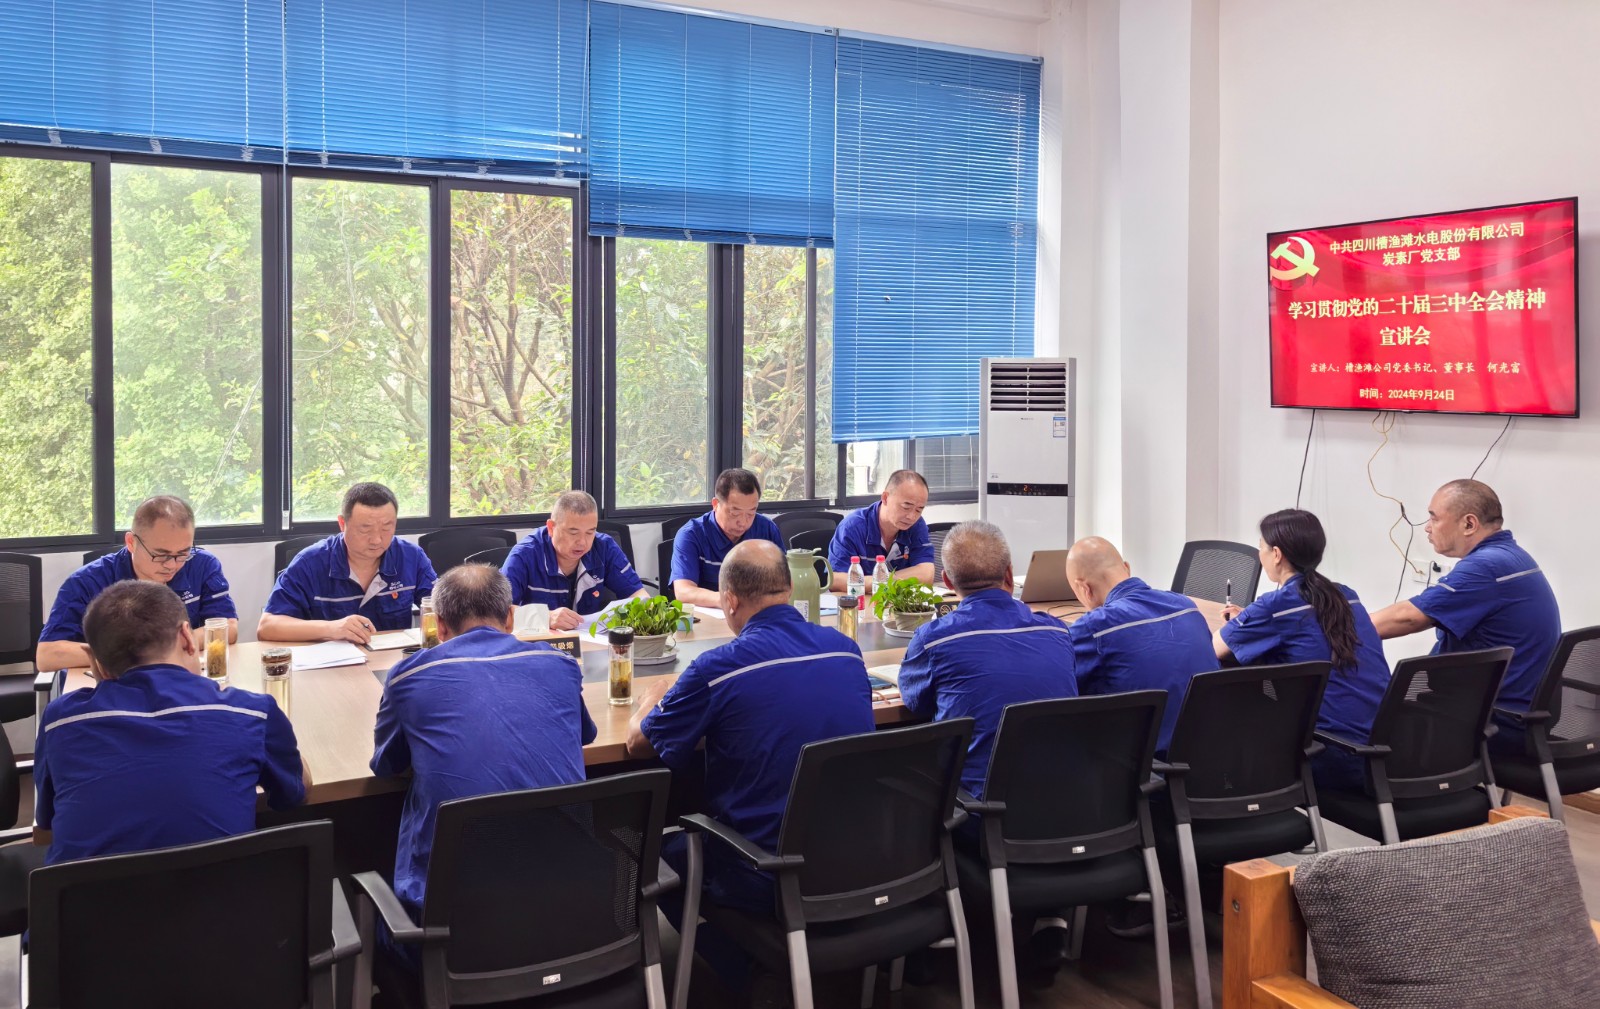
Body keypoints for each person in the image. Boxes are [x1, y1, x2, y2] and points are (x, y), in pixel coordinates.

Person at [626, 539, 872, 991]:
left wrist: (651, 699)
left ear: (730, 600)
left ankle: (755, 975)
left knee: (654, 853)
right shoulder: (846, 650)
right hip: (859, 857)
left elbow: (639, 744)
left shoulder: (717, 668)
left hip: (765, 871)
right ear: (787, 589)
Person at [372, 563, 596, 919]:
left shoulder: (408, 676)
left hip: (453, 920)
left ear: (439, 626)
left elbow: (387, 766)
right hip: (569, 903)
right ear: (510, 619)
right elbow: (585, 736)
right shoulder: (561, 664)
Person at [34, 580, 308, 865]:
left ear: (97, 664)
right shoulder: (251, 712)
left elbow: (46, 820)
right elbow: (293, 795)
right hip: (223, 890)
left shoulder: (60, 721)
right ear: (188, 638)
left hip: (86, 892)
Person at [1369, 479, 1560, 749]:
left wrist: (1336, 627)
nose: (1427, 527)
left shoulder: (1486, 567)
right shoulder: (1513, 556)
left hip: (1496, 721)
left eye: (1434, 517)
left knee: (1362, 721)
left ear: (1469, 524)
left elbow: (1408, 617)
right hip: (1520, 712)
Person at [898, 520, 1076, 800]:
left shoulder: (934, 640)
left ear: (947, 581)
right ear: (1009, 574)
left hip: (976, 807)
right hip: (1065, 801)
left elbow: (915, 702)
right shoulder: (1058, 632)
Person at [1213, 510, 1390, 791]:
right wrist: (1251, 620)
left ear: (1276, 554)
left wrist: (1248, 621)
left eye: (1261, 548)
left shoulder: (1275, 606)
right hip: (1385, 747)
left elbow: (1215, 648)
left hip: (1331, 753)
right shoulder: (1346, 595)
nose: (1259, 554)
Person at [37, 495, 237, 670]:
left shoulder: (202, 565)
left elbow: (227, 628)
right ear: (131, 542)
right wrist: (139, 655)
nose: (172, 565)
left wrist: (161, 649)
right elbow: (48, 655)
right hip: (113, 686)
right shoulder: (86, 581)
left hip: (178, 681)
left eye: (182, 553)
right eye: (161, 555)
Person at [1065, 536, 1217, 756]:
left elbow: (1057, 682)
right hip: (1210, 755)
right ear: (1127, 568)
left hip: (1144, 764)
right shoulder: (1186, 606)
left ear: (1084, 589)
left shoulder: (1095, 628)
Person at [259, 482, 437, 643]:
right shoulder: (309, 563)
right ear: (342, 523)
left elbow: (440, 609)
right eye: (365, 529)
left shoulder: (411, 557)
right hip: (331, 664)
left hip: (392, 662)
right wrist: (332, 629)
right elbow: (267, 626)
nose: (376, 539)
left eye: (386, 527)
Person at [501, 490, 649, 631]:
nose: (582, 542)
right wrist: (546, 617)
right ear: (551, 528)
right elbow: (500, 614)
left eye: (590, 532)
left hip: (592, 641)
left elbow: (639, 596)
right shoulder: (524, 555)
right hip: (539, 643)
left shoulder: (604, 547)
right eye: (573, 533)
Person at [669, 468, 784, 609]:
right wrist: (727, 600)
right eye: (735, 513)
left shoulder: (766, 529)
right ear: (715, 504)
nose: (743, 522)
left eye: (751, 513)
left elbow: (785, 581)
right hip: (710, 616)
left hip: (758, 614)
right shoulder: (691, 535)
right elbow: (683, 591)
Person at [827, 469, 935, 591]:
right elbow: (835, 580)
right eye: (906, 507)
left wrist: (877, 581)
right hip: (862, 601)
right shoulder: (852, 527)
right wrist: (880, 583)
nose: (912, 516)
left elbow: (926, 574)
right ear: (885, 498)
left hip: (898, 602)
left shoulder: (917, 525)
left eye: (919, 510)